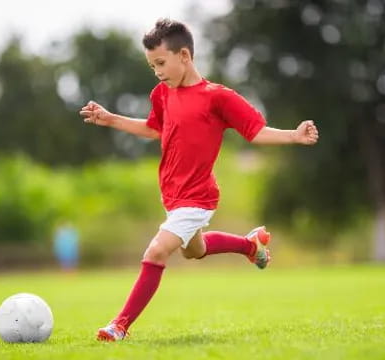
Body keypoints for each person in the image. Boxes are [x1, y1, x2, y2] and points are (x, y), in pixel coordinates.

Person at [79, 18, 319, 342]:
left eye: (161, 63)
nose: (157, 71)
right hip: (172, 196)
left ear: (185, 57)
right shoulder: (161, 93)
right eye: (152, 66)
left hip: (197, 197)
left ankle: (119, 325)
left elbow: (255, 131)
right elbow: (154, 129)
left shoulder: (217, 97)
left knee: (156, 252)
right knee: (195, 251)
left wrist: (294, 135)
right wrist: (110, 118)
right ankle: (249, 245)